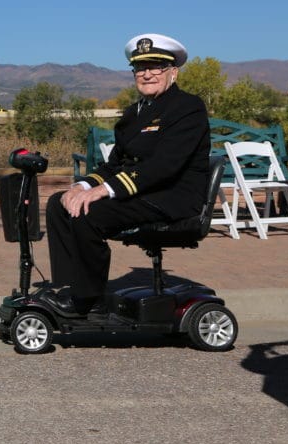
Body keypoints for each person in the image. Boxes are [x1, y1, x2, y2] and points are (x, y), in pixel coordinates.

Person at [46, 33, 210, 317]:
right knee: (59, 204)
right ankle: (70, 288)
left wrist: (102, 191)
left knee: (88, 214)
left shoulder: (187, 107)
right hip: (142, 192)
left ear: (174, 71)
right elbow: (115, 163)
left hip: (171, 196)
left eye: (156, 66)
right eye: (140, 68)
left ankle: (89, 300)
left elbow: (163, 167)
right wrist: (82, 185)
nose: (147, 74)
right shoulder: (134, 113)